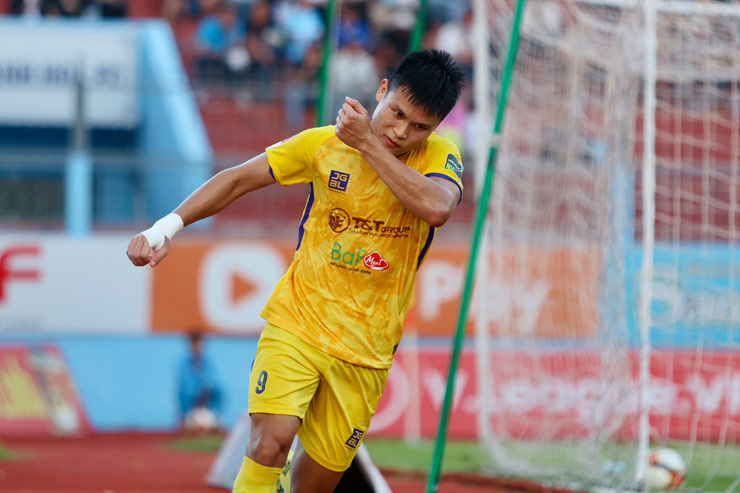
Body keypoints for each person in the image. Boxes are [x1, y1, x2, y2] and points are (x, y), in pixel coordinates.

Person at [126, 49, 465, 493]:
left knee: (311, 488)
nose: (401, 131)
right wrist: (165, 228)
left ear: (436, 128)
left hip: (366, 352)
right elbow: (238, 178)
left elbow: (437, 208)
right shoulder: (323, 144)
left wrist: (366, 142)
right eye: (397, 113)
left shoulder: (439, 156)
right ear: (383, 90)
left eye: (420, 127)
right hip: (298, 323)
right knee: (269, 445)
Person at [178, 330, 223, 432]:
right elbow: (182, 392)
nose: (196, 347)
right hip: (191, 408)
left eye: (198, 344)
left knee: (210, 424)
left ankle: (212, 420)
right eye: (193, 344)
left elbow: (214, 386)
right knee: (193, 426)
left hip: (207, 407)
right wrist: (183, 414)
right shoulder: (183, 364)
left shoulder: (208, 362)